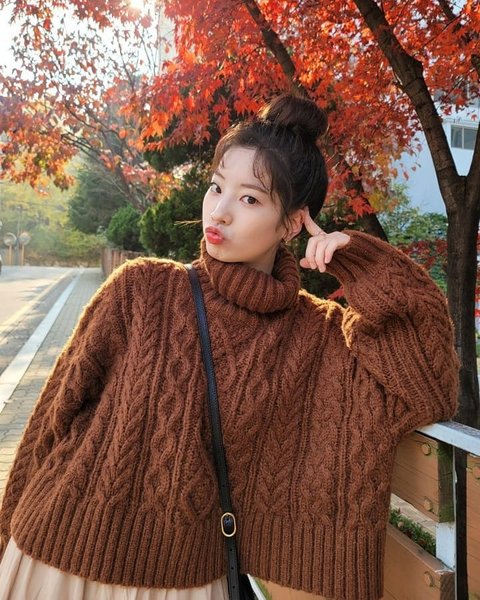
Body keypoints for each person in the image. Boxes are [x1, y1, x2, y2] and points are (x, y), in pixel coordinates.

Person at [0, 94, 459, 600]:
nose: (218, 211)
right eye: (217, 187)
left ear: (292, 223)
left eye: (249, 199)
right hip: (60, 559)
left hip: (189, 581)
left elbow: (429, 386)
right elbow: (52, 420)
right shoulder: (140, 289)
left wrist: (359, 262)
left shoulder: (319, 335)